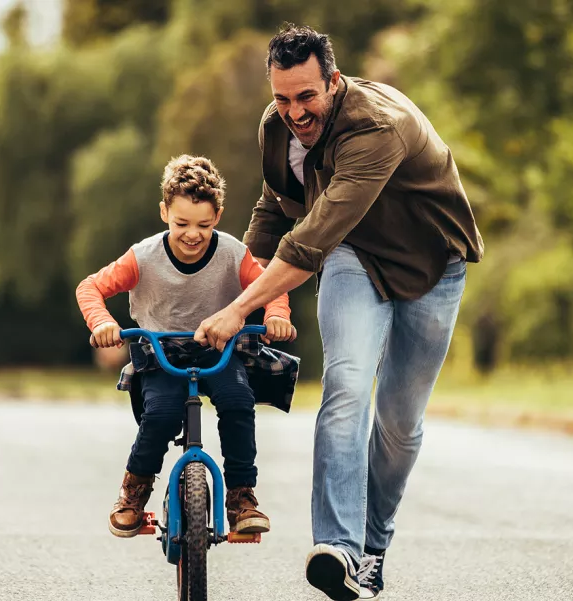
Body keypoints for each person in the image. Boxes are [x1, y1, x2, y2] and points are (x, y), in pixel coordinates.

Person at [193, 24, 484, 601]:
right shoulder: (276, 127)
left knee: (400, 424)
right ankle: (339, 550)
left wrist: (238, 309)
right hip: (355, 258)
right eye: (282, 98)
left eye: (307, 96)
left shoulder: (375, 127)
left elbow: (308, 243)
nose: (295, 112)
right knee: (347, 386)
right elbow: (276, 207)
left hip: (433, 264)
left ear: (334, 80)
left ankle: (372, 549)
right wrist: (226, 283)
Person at [76, 154, 299, 539]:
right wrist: (103, 324)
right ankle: (134, 492)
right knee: (160, 415)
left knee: (237, 401)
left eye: (204, 224)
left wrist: (277, 315)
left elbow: (270, 286)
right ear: (164, 212)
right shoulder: (144, 257)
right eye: (181, 223)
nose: (192, 234)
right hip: (160, 353)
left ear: (219, 215)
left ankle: (241, 496)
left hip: (219, 348)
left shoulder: (232, 253)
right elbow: (90, 287)